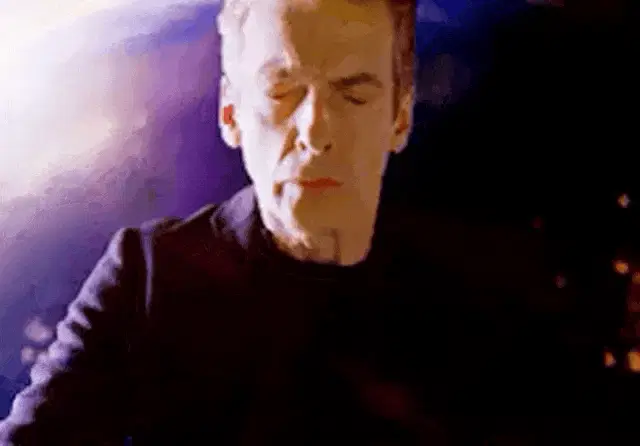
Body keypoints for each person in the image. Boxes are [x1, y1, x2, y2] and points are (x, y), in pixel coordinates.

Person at [0, 1, 627, 445]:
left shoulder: (484, 295)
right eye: (282, 92)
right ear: (231, 114)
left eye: (353, 93)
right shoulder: (148, 278)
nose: (316, 131)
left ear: (400, 115)